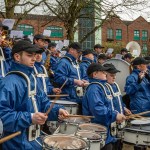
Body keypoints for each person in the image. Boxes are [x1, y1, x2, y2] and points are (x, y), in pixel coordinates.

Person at [0, 40, 69, 150]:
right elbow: (2, 117)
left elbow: (44, 104)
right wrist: (30, 118)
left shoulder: (33, 79)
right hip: (17, 144)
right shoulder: (9, 83)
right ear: (17, 57)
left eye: (34, 55)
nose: (34, 58)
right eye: (29, 55)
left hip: (34, 140)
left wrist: (56, 111)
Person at [82, 63, 126, 150]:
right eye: (102, 72)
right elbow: (98, 109)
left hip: (104, 128)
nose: (105, 73)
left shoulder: (101, 87)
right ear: (95, 74)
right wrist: (115, 115)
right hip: (97, 130)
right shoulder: (94, 88)